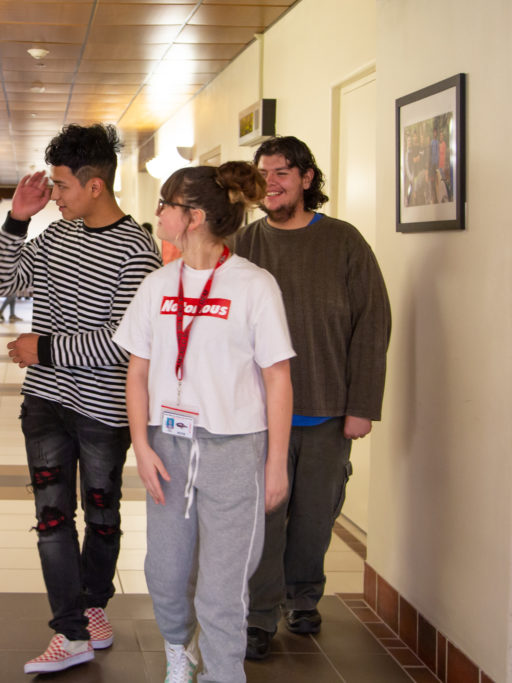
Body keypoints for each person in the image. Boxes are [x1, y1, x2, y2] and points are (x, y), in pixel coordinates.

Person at [0, 123, 162, 674]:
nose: (54, 196)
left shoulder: (138, 251)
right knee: (52, 515)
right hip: (45, 403)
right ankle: (70, 632)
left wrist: (44, 346)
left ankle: (92, 606)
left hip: (105, 410)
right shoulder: (55, 236)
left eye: (61, 186)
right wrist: (18, 218)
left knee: (102, 516)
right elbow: (0, 281)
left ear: (94, 185)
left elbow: (121, 342)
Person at [114, 163, 294, 682]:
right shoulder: (157, 284)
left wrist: (275, 464)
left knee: (222, 585)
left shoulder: (254, 286)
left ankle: (222, 673)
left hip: (236, 449)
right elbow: (138, 370)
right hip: (167, 445)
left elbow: (277, 378)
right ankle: (178, 650)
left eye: (166, 204)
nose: (158, 213)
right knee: (166, 573)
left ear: (192, 217)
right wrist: (141, 446)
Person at [234, 136, 391, 660]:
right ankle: (258, 616)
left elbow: (373, 323)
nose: (272, 182)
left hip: (326, 406)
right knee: (264, 517)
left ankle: (303, 598)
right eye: (264, 173)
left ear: (306, 178)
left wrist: (363, 405)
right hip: (256, 413)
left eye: (283, 172)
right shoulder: (243, 244)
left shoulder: (344, 242)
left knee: (314, 514)